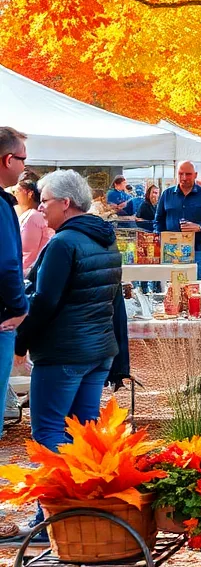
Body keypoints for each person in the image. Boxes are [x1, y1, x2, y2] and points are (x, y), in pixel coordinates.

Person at [20, 169, 130, 536]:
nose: (40, 208)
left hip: (64, 352)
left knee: (50, 433)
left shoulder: (64, 243)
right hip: (98, 351)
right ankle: (84, 512)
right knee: (84, 435)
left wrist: (20, 339)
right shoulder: (105, 240)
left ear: (66, 203)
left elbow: (44, 300)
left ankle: (50, 519)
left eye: (45, 201)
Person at [0, 130, 30, 465]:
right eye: (22, 159)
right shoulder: (2, 205)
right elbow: (8, 263)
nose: (24, 167)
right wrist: (20, 307)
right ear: (9, 160)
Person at [154, 160, 201, 280]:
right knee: (172, 285)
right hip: (171, 251)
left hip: (199, 250)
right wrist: (160, 238)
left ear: (195, 175)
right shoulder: (167, 194)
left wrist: (199, 227)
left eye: (188, 174)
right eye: (181, 174)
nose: (184, 177)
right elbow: (158, 221)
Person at [15, 174, 53, 274]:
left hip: (27, 272)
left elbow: (27, 253)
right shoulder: (35, 215)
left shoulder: (33, 216)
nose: (15, 195)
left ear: (30, 194)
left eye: (18, 191)